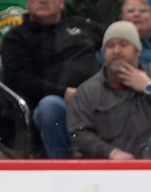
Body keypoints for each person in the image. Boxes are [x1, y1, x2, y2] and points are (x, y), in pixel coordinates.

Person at [1, 0, 104, 158]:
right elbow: (18, 79)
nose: (43, 0)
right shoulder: (16, 37)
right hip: (51, 105)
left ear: (62, 3)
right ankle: (61, 169)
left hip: (95, 99)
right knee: (50, 105)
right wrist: (64, 92)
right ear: (27, 4)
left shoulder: (82, 25)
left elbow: (116, 43)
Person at [68, 21, 151, 159]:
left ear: (137, 51)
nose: (116, 51)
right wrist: (111, 153)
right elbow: (79, 133)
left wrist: (150, 88)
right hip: (112, 170)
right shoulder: (87, 92)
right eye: (110, 46)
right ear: (103, 53)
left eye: (123, 44)